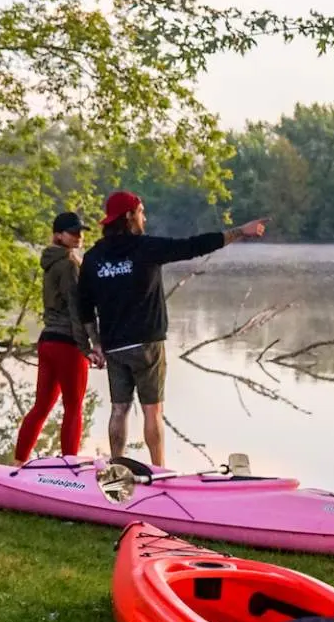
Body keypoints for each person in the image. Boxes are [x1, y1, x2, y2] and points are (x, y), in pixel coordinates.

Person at [76, 191, 267, 468]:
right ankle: (159, 470)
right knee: (152, 410)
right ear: (129, 216)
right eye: (141, 211)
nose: (145, 216)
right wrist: (241, 231)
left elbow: (83, 306)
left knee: (119, 409)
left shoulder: (94, 257)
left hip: (115, 345)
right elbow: (193, 246)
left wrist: (95, 342)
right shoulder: (145, 247)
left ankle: (116, 468)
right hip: (147, 344)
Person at [13, 210, 102, 463]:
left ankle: (18, 463)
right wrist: (88, 347)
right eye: (73, 232)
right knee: (73, 408)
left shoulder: (50, 262)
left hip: (47, 341)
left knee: (41, 407)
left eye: (80, 231)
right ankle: (70, 467)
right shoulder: (69, 265)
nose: (79, 236)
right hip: (67, 345)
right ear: (58, 235)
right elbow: (78, 309)